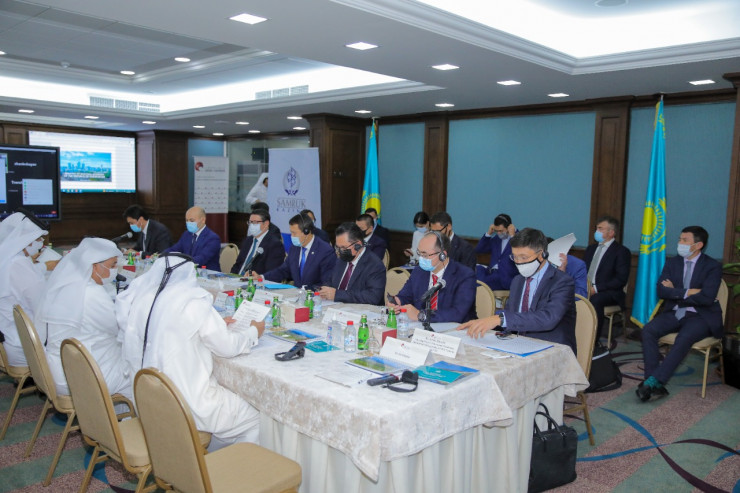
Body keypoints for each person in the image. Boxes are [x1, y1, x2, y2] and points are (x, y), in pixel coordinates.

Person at [117, 254, 263, 450]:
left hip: (151, 398)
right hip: (187, 403)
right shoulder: (192, 301)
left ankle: (201, 457)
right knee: (256, 418)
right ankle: (216, 465)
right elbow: (227, 347)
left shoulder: (142, 298)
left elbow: (167, 327)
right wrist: (253, 332)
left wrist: (216, 322)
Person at [35, 238, 132, 399]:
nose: (115, 270)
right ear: (94, 266)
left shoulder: (65, 285)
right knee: (137, 371)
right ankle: (114, 415)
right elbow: (119, 330)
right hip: (79, 376)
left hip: (57, 368)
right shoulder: (92, 293)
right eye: (113, 265)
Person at [457, 228, 577, 354]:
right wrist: (482, 322)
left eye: (524, 257)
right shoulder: (518, 280)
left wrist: (500, 319)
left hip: (552, 349)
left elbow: (548, 318)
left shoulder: (562, 281)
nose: (519, 262)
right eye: (514, 257)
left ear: (542, 255)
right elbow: (512, 314)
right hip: (518, 344)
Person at [637, 226, 723, 402]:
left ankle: (653, 381)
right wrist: (689, 292)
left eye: (685, 240)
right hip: (675, 312)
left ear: (698, 245)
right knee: (648, 330)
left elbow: (707, 298)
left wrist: (675, 291)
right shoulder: (672, 262)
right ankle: (651, 379)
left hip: (700, 315)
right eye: (679, 239)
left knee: (684, 338)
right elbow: (661, 291)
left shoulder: (712, 266)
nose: (680, 243)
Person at [389, 231, 476, 323]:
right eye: (419, 253)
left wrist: (421, 315)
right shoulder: (419, 271)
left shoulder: (465, 275)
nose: (421, 259)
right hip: (421, 327)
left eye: (425, 254)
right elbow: (405, 296)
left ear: (442, 255)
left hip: (456, 328)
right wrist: (397, 301)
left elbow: (457, 313)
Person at [0, 217, 48, 366]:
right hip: (25, 346)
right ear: (26, 240)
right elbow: (41, 305)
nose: (42, 243)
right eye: (38, 239)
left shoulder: (8, 258)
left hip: (10, 338)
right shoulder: (19, 264)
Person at [584, 215, 631, 340]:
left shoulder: (621, 252)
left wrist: (596, 289)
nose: (597, 232)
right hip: (586, 288)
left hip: (609, 292)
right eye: (596, 228)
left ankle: (592, 340)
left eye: (600, 229)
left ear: (611, 232)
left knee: (595, 300)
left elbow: (620, 279)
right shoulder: (591, 249)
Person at [261, 213, 336, 288]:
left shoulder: (325, 251)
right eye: (291, 232)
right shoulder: (295, 247)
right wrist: (262, 277)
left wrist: (307, 291)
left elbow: (327, 282)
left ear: (306, 232)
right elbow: (284, 270)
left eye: (294, 233)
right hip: (296, 293)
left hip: (313, 294)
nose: (292, 236)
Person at [319, 222, 386, 305]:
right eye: (338, 247)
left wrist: (337, 295)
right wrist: (324, 290)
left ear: (358, 245)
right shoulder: (342, 260)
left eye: (343, 247)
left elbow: (372, 297)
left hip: (361, 310)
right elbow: (330, 280)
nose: (339, 251)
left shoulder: (375, 265)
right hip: (336, 307)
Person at [163, 206, 221, 271]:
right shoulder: (186, 234)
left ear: (203, 220)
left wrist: (180, 262)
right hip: (188, 271)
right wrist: (162, 255)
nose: (188, 223)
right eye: (186, 220)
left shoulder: (213, 238)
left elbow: (201, 259)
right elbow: (174, 249)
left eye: (192, 220)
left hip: (207, 273)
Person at [231, 209, 284, 276]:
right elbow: (237, 265)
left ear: (266, 223)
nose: (251, 225)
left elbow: (272, 274)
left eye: (255, 222)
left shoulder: (274, 245)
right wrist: (231, 277)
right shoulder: (248, 240)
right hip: (237, 279)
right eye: (250, 222)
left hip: (254, 281)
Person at [474, 213, 517, 290]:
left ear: (509, 227)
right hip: (492, 272)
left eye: (501, 231)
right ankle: (480, 289)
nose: (498, 233)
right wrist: (488, 234)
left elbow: (518, 253)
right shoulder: (497, 239)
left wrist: (512, 236)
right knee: (477, 269)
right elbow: (479, 249)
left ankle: (479, 290)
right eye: (496, 231)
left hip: (505, 276)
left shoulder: (519, 238)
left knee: (480, 283)